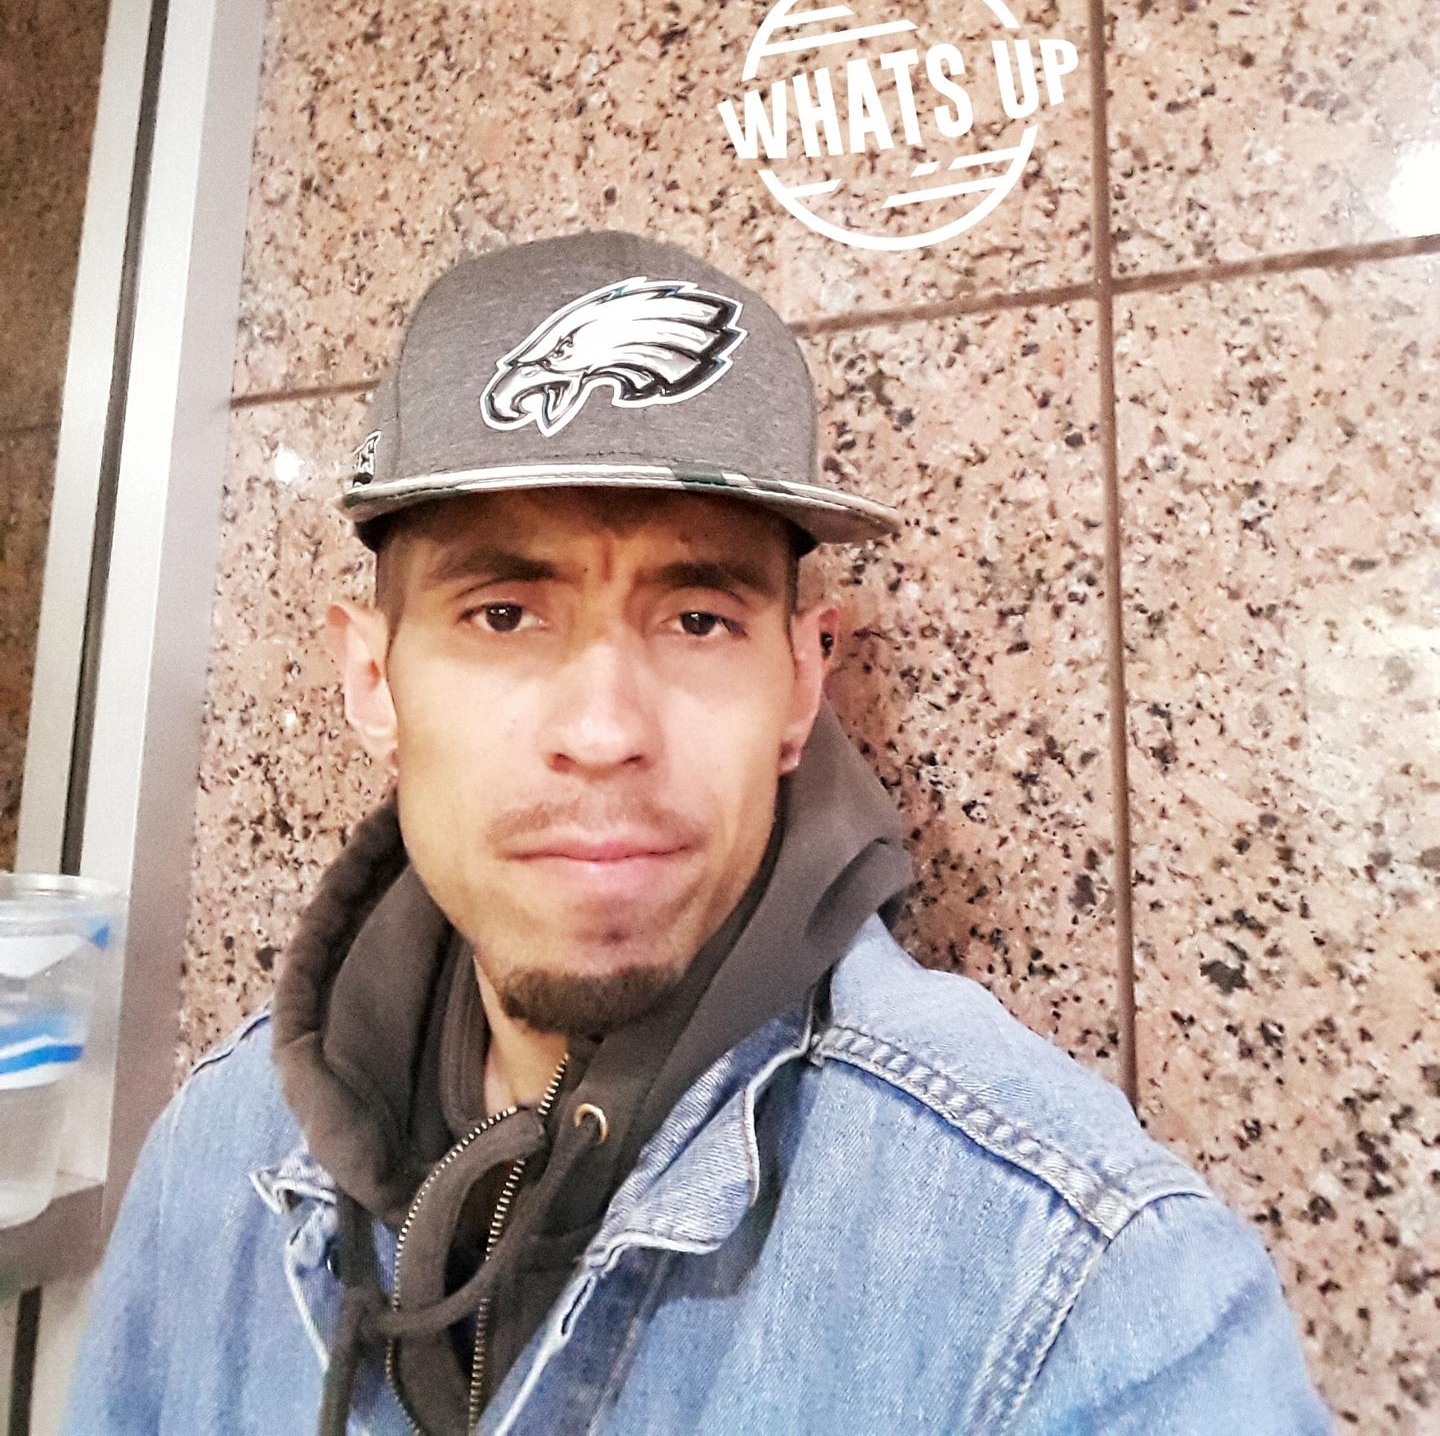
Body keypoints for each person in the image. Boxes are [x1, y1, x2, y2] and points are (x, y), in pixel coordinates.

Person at [62, 231, 1334, 1434]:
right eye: (504, 614)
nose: (605, 729)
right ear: (371, 681)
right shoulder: (217, 1158)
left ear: (801, 681)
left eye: (698, 620)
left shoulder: (1079, 1284)